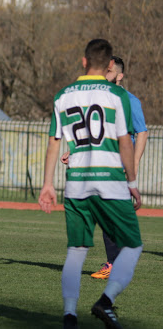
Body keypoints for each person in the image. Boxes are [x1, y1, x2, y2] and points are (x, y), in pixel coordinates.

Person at [39, 39, 143, 329]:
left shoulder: (64, 95)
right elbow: (125, 141)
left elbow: (54, 142)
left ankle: (70, 315)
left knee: (77, 250)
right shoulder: (116, 94)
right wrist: (132, 182)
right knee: (132, 246)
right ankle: (105, 302)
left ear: (84, 62)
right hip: (110, 181)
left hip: (77, 182)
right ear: (110, 65)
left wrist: (48, 184)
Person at [60, 55, 148, 281]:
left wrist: (134, 165)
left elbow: (142, 132)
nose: (104, 76)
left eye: (109, 73)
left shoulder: (129, 100)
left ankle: (115, 263)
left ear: (120, 76)